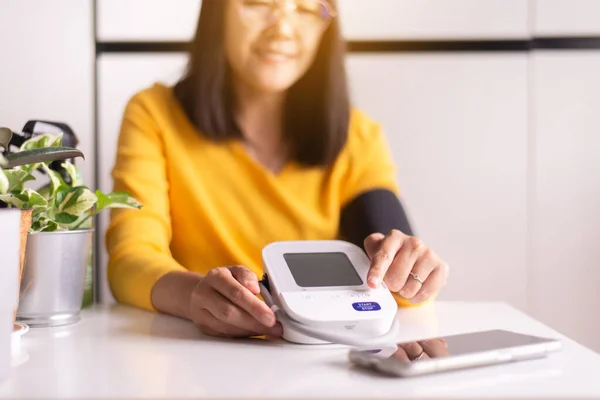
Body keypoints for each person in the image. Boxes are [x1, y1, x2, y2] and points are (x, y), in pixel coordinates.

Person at [106, 0, 449, 339]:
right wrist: (194, 295)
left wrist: (411, 270)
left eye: (306, 9)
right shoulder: (153, 115)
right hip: (196, 361)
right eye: (257, 3)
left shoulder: (357, 136)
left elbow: (398, 272)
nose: (282, 29)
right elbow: (130, 260)